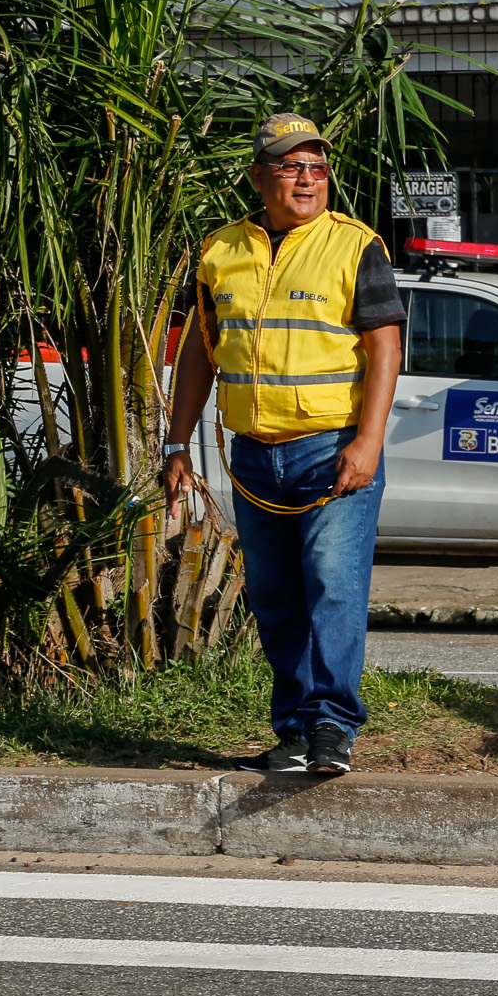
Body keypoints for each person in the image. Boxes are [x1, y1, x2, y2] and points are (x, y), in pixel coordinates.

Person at [164, 113, 406, 775]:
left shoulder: (357, 246)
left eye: (317, 167)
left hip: (331, 450)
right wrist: (176, 442)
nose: (307, 179)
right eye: (291, 166)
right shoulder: (219, 251)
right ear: (257, 176)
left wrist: (368, 442)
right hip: (255, 455)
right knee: (273, 595)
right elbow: (200, 355)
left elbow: (387, 348)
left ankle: (332, 727)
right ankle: (294, 732)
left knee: (332, 583)